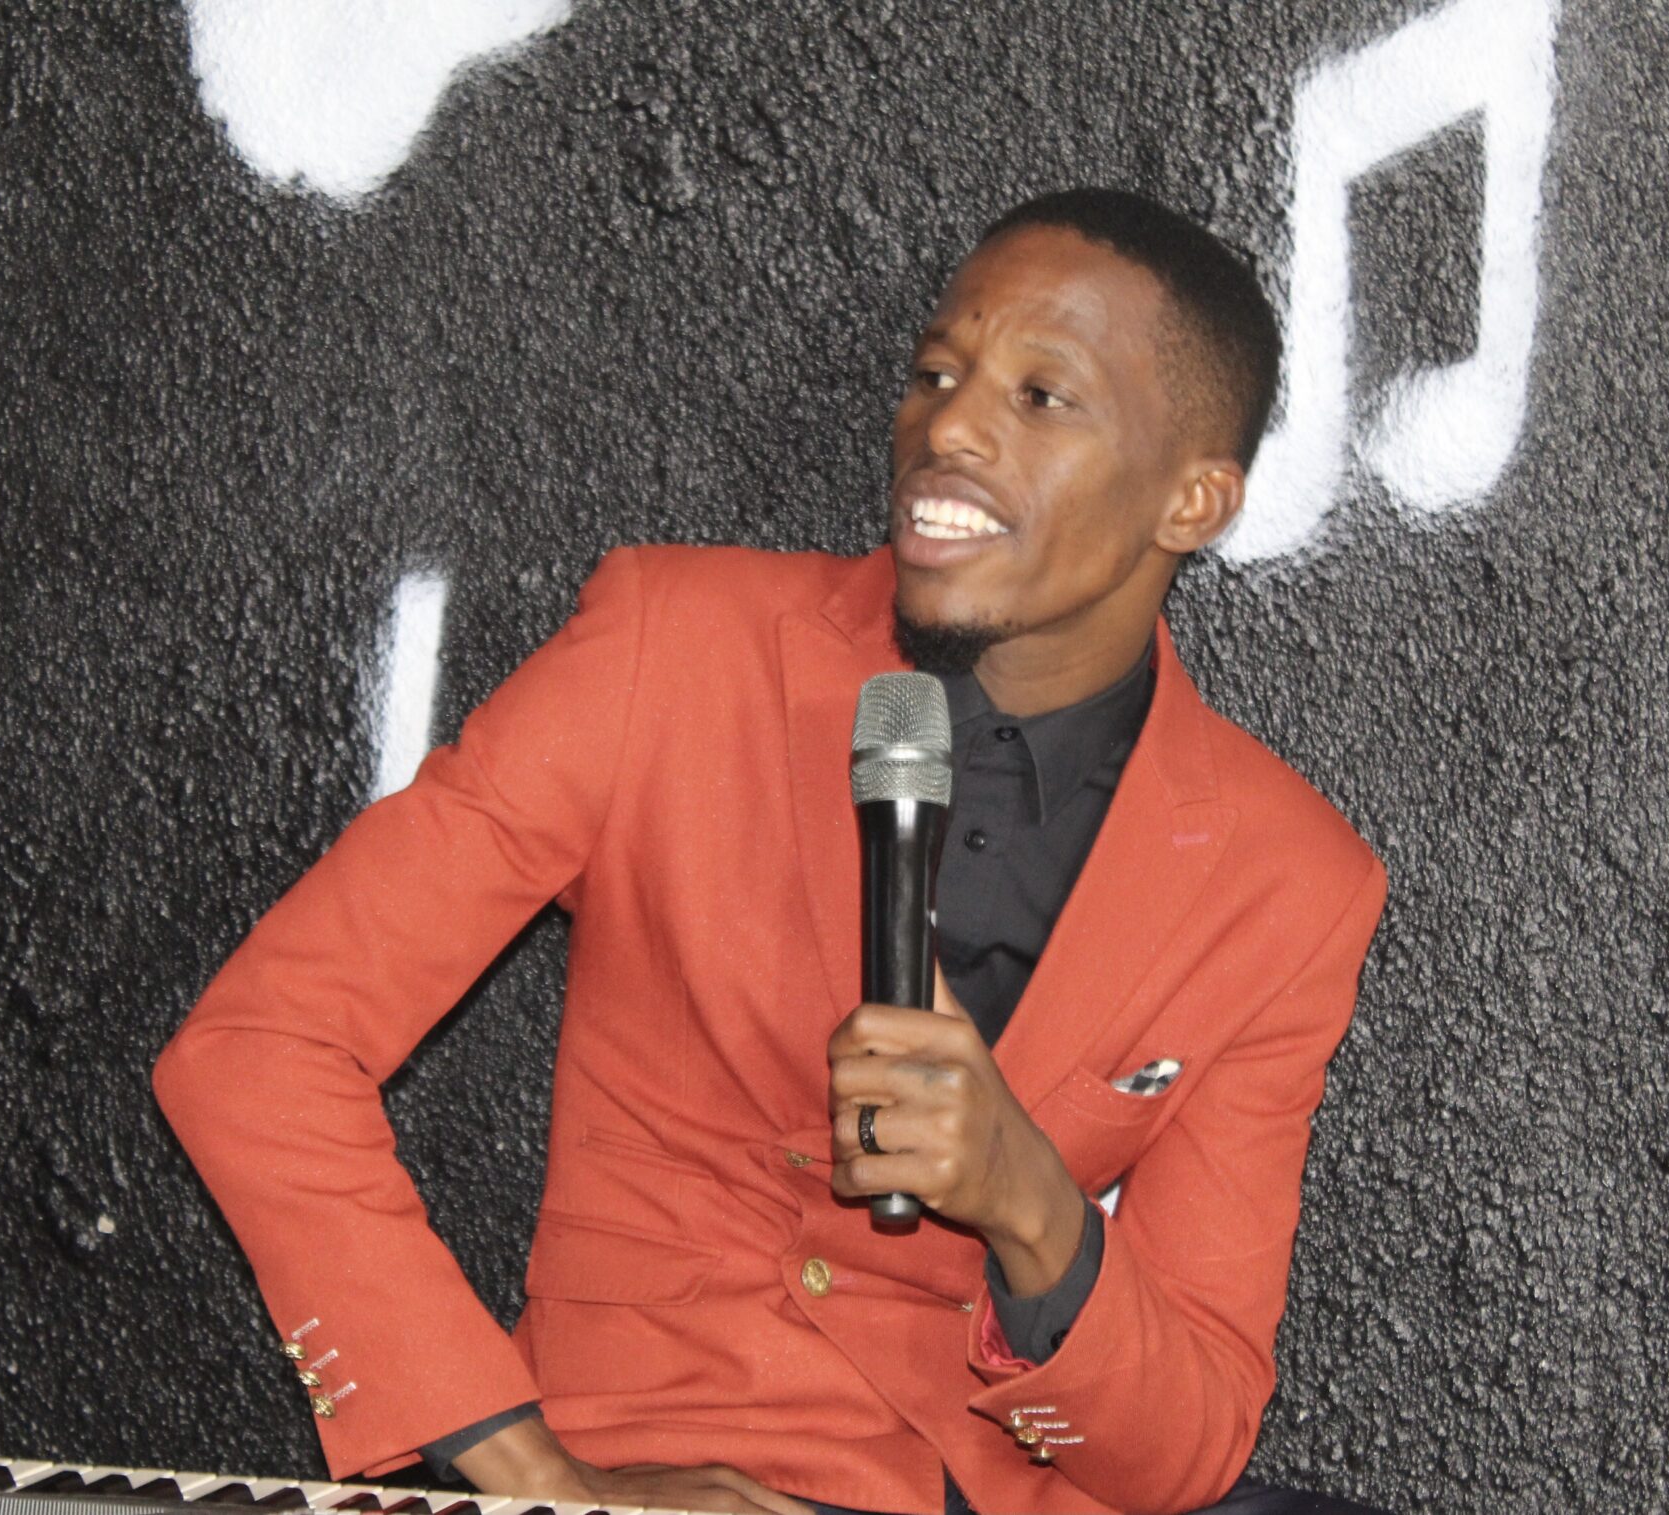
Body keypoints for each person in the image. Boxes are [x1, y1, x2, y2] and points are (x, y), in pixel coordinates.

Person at [153, 187, 1390, 1515]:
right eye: (938, 374)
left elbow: (1182, 1451)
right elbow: (260, 1049)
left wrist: (1032, 1205)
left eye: (1042, 398)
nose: (948, 428)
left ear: (1192, 501)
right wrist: (533, 1478)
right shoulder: (670, 648)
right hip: (664, 1453)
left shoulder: (1288, 882)